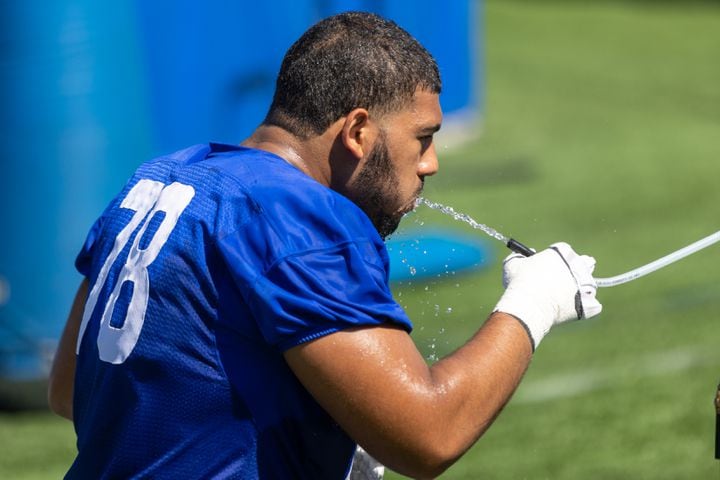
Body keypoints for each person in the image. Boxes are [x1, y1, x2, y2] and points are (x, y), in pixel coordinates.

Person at [47, 11, 602, 479]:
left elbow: (71, 392)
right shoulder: (296, 214)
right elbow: (430, 434)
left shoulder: (160, 178)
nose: (431, 163)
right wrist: (533, 303)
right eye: (423, 138)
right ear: (358, 132)